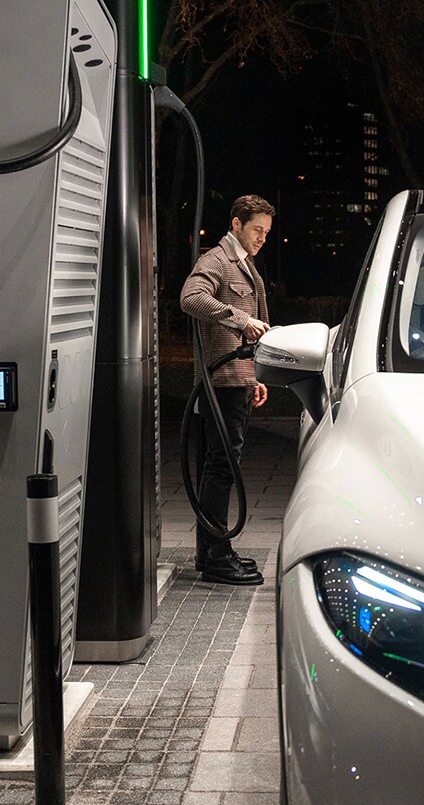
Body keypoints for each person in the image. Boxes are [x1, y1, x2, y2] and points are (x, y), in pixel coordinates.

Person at [180, 194, 274, 585]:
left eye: (267, 233)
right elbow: (190, 298)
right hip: (221, 383)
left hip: (238, 379)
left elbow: (261, 326)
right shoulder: (217, 260)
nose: (262, 238)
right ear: (236, 224)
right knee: (221, 467)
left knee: (217, 465)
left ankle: (212, 551)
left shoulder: (245, 265)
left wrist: (258, 375)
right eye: (257, 230)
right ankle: (217, 556)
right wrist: (238, 319)